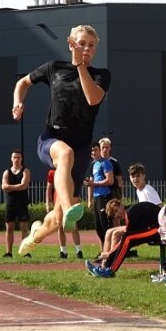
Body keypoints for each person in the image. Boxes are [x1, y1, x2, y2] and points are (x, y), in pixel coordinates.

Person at [12, 25, 111, 256]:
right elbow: (22, 83)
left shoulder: (101, 75)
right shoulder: (54, 67)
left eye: (91, 45)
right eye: (81, 43)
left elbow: (93, 98)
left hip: (82, 146)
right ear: (70, 44)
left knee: (56, 220)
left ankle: (35, 235)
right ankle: (69, 208)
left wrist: (79, 66)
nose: (86, 48)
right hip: (51, 140)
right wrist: (17, 103)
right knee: (65, 155)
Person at [85, 199, 161, 278]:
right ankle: (105, 267)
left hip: (158, 230)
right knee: (126, 238)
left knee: (127, 238)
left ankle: (110, 270)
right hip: (152, 228)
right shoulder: (129, 212)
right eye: (114, 214)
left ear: (121, 205)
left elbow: (125, 239)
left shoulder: (130, 213)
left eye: (116, 210)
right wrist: (110, 253)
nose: (117, 214)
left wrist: (110, 253)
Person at [46, 169, 83, 259]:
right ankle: (63, 251)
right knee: (60, 226)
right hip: (57, 201)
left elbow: (76, 186)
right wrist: (48, 203)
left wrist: (77, 199)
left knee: (73, 225)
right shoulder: (52, 172)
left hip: (70, 200)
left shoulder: (71, 169)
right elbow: (49, 188)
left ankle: (79, 251)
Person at [1, 149, 31, 258]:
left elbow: (24, 186)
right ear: (11, 158)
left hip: (22, 203)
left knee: (24, 227)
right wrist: (16, 187)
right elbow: (3, 186)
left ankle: (25, 252)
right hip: (10, 204)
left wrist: (9, 187)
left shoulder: (25, 171)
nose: (16, 160)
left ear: (21, 159)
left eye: (18, 157)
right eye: (14, 157)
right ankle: (8, 252)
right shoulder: (6, 172)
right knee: (9, 227)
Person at [84, 141, 114, 249]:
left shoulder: (105, 163)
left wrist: (94, 183)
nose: (93, 152)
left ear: (99, 150)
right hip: (96, 198)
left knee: (106, 226)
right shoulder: (93, 165)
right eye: (91, 150)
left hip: (104, 196)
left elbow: (110, 180)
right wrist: (89, 200)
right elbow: (90, 183)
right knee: (98, 228)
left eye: (95, 149)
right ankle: (103, 252)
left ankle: (110, 252)